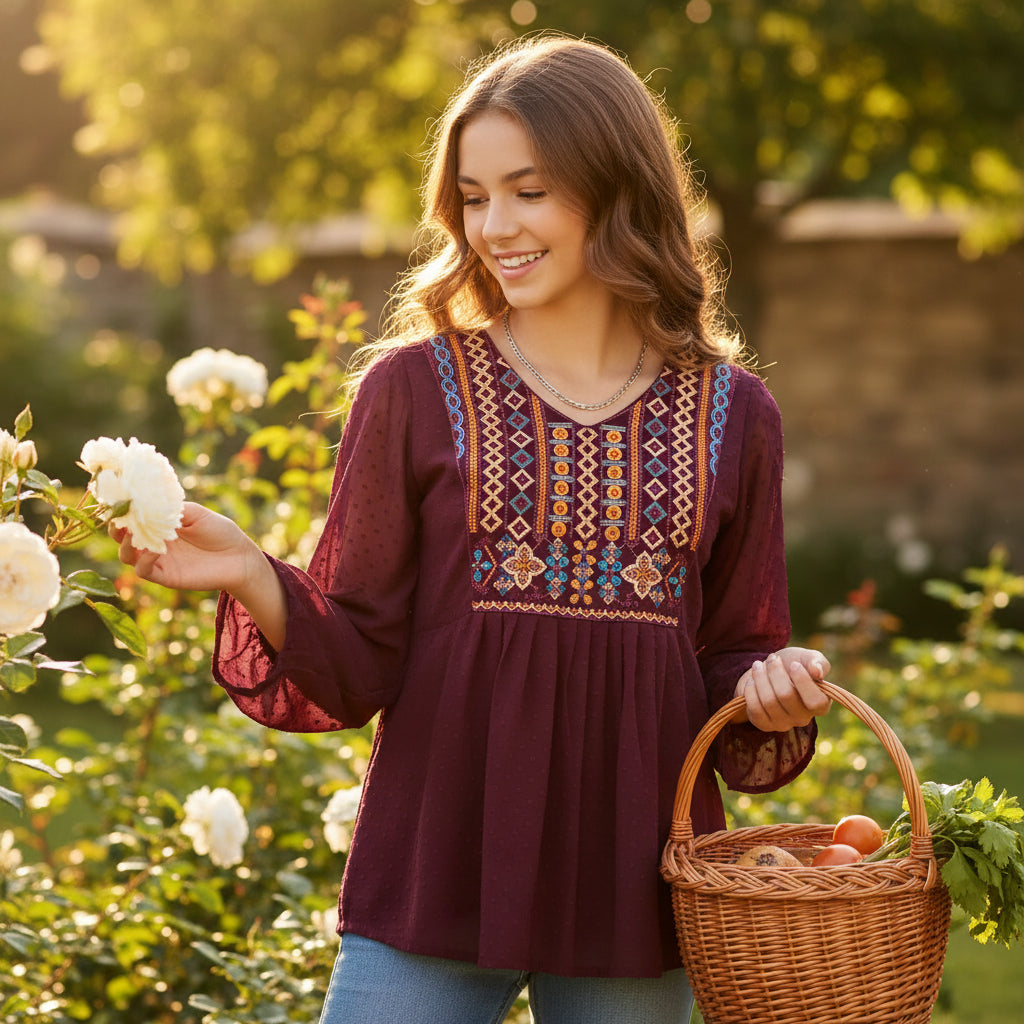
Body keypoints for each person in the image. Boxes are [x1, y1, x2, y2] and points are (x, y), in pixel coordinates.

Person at [114, 34, 832, 1024]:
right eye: (474, 197)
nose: (496, 226)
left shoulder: (734, 414)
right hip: (434, 865)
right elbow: (361, 655)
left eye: (529, 191)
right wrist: (251, 570)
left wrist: (772, 688)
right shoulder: (412, 389)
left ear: (617, 187)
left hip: (634, 889)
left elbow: (729, 654)